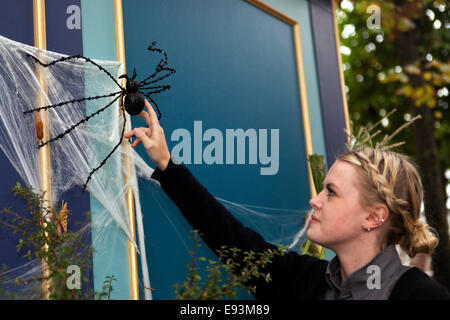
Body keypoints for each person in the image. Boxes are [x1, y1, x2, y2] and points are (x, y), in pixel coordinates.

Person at [125, 100, 450, 300]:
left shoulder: (419, 295)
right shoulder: (303, 281)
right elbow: (228, 236)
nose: (314, 200)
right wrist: (166, 163)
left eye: (331, 192)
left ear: (374, 216)